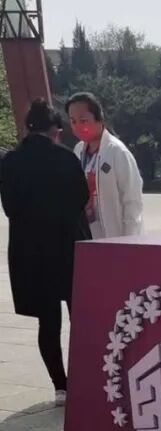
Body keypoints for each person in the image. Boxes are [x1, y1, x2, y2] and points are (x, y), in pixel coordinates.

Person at [0, 100, 91, 405]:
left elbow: (10, 207)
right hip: (67, 248)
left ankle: (60, 386)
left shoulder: (10, 162)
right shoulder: (65, 158)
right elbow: (81, 198)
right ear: (55, 130)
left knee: (48, 322)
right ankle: (87, 375)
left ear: (28, 128)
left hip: (31, 254)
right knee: (80, 316)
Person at [65, 92, 144, 238]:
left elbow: (132, 201)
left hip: (114, 236)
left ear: (99, 118)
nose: (78, 127)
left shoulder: (117, 152)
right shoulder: (78, 150)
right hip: (86, 234)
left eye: (83, 121)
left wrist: (130, 240)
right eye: (73, 121)